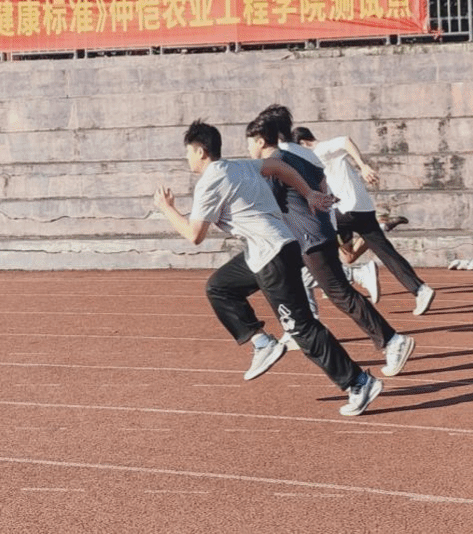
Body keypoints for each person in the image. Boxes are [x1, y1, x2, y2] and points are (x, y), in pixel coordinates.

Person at [153, 119, 383, 416]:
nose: (187, 158)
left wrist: (167, 209)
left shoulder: (210, 182)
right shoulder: (238, 166)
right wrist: (308, 192)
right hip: (273, 249)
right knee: (220, 287)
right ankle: (261, 341)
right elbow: (278, 167)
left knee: (301, 328)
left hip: (272, 255)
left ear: (200, 151)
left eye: (188, 152)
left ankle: (358, 382)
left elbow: (194, 235)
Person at [245, 112, 416, 378]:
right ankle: (299, 329)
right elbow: (321, 181)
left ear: (260, 140)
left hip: (309, 236)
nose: (247, 148)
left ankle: (392, 340)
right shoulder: (298, 156)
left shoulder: (274, 165)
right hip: (319, 229)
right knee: (309, 282)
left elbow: (271, 205)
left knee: (339, 293)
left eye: (249, 142)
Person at [292, 125, 436, 315]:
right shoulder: (317, 157)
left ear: (303, 143)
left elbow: (345, 140)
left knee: (313, 232)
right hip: (362, 208)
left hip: (347, 209)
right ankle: (420, 289)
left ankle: (355, 274)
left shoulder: (321, 149)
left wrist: (363, 166)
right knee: (381, 253)